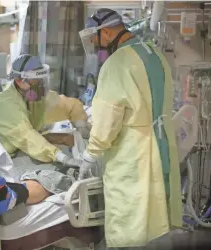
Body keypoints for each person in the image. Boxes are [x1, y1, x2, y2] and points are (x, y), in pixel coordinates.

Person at [77, 8, 182, 248]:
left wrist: (90, 154)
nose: (96, 46)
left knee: (129, 227)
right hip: (161, 149)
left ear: (106, 32)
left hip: (133, 158)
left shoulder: (117, 63)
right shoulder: (153, 53)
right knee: (157, 224)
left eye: (96, 39)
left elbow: (107, 121)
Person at [0, 54, 83, 167]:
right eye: (35, 81)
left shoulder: (33, 97)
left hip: (17, 146)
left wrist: (81, 124)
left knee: (65, 139)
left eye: (42, 80)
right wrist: (62, 158)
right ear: (19, 81)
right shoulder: (7, 105)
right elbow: (28, 137)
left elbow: (68, 104)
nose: (40, 86)